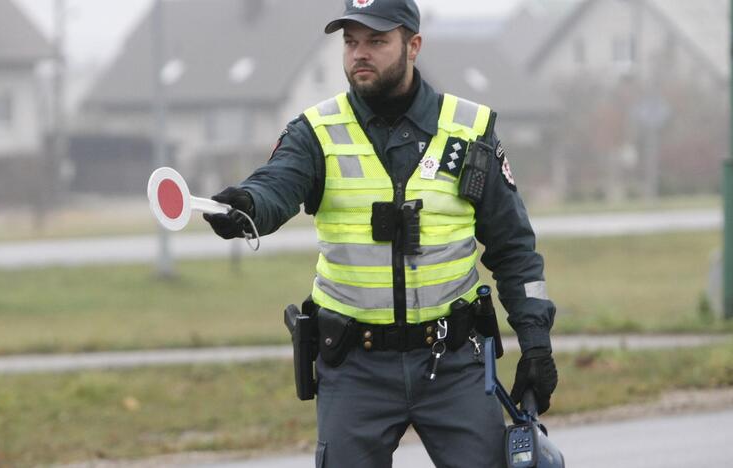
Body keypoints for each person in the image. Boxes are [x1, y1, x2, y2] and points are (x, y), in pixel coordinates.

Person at [203, 0, 557, 466]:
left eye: (376, 41)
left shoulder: (470, 130)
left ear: (413, 45)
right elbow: (276, 184)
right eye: (350, 42)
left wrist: (535, 344)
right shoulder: (316, 132)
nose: (358, 54)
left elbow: (514, 249)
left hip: (452, 362)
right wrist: (248, 206)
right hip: (354, 367)